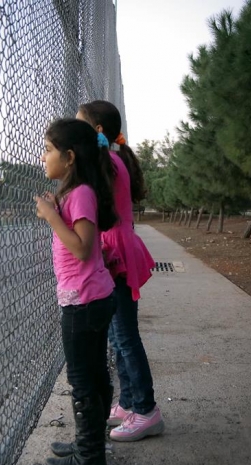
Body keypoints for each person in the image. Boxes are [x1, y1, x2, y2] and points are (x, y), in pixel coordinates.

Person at [75, 100, 165, 442]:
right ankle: (129, 402)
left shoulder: (108, 163)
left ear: (96, 131)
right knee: (117, 336)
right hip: (116, 250)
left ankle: (146, 410)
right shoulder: (112, 159)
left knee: (125, 336)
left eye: (80, 124)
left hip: (117, 254)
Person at [34, 118, 117, 465]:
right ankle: (90, 445)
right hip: (91, 298)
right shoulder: (75, 192)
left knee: (83, 379)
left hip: (82, 302)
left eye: (49, 150)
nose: (43, 156)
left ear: (69, 157)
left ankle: (90, 457)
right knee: (95, 374)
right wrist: (58, 208)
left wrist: (52, 216)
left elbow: (83, 249)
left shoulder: (81, 192)